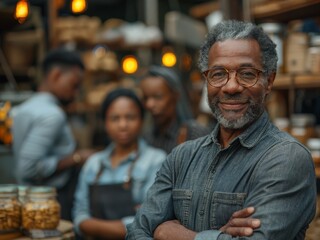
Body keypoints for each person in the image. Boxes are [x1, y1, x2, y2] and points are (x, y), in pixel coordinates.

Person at [126, 20, 316, 239]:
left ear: (269, 81)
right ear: (207, 79)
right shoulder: (182, 157)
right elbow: (136, 232)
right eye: (218, 74)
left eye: (246, 74)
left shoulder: (286, 158)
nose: (231, 87)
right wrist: (219, 236)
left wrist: (170, 233)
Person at [12, 47, 95, 221]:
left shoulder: (23, 108)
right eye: (74, 85)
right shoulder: (52, 114)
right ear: (56, 75)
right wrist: (77, 157)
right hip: (49, 201)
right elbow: (28, 167)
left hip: (29, 200)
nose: (76, 93)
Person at [72, 88, 167, 239]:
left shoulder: (156, 160)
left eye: (130, 117)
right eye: (115, 118)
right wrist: (126, 226)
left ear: (142, 120)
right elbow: (79, 214)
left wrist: (90, 226)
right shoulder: (93, 164)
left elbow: (149, 221)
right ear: (105, 123)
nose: (123, 125)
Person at [139, 65, 210, 153]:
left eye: (157, 97)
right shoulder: (147, 138)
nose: (149, 104)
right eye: (145, 98)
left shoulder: (193, 134)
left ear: (175, 96)